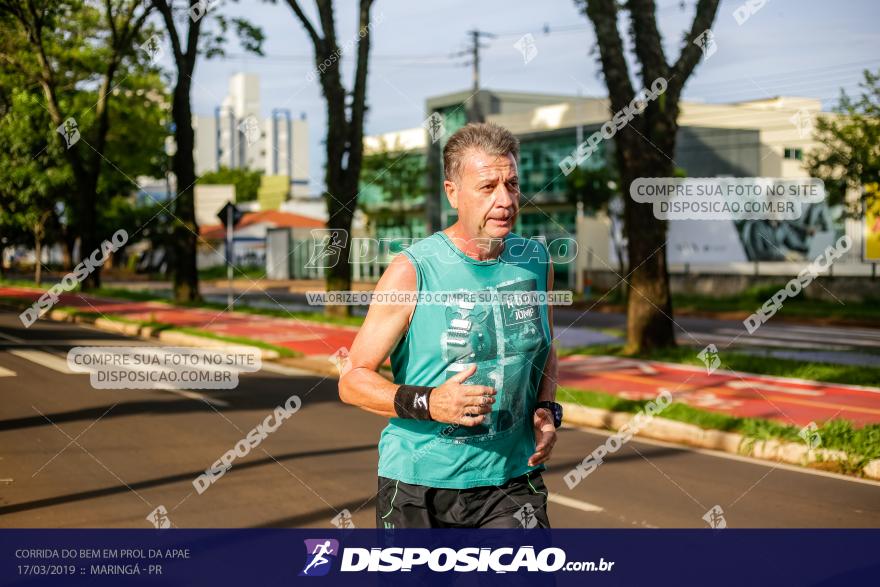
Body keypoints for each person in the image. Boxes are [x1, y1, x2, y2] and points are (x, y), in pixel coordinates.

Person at [339, 122, 562, 528]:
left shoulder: (536, 260)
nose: (505, 200)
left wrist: (546, 409)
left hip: (510, 481)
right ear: (452, 192)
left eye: (511, 184)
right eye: (487, 187)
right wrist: (431, 403)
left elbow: (545, 346)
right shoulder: (413, 270)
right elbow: (352, 379)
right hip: (419, 485)